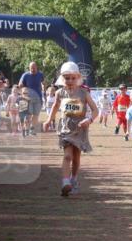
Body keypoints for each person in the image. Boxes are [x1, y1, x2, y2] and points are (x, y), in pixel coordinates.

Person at [47, 62, 100, 197]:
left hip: (80, 128)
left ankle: (74, 179)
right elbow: (54, 107)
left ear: (77, 78)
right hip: (65, 128)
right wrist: (49, 120)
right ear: (62, 78)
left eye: (72, 78)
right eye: (66, 78)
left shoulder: (84, 93)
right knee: (67, 156)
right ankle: (65, 183)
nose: (70, 81)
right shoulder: (60, 93)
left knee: (76, 158)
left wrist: (89, 120)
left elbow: (95, 110)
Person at [17, 62, 45, 135]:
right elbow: (20, 84)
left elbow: (43, 82)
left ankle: (32, 129)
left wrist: (43, 85)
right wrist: (20, 86)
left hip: (38, 98)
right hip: (28, 98)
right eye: (31, 68)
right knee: (28, 115)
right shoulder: (25, 75)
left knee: (36, 115)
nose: (33, 69)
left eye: (34, 68)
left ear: (37, 67)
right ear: (29, 68)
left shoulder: (40, 74)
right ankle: (26, 129)